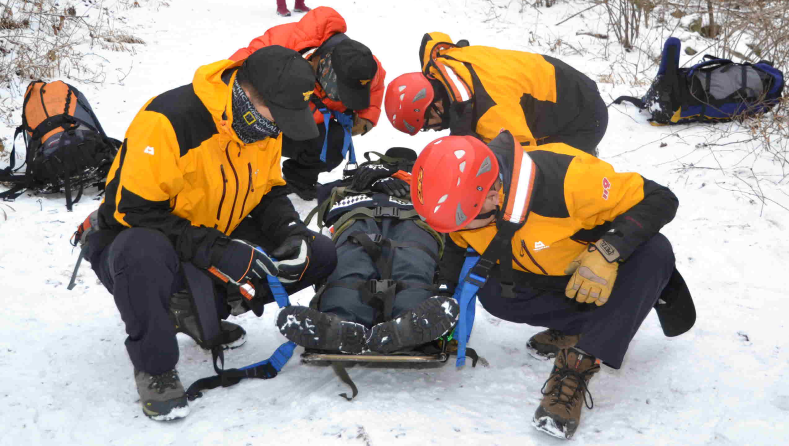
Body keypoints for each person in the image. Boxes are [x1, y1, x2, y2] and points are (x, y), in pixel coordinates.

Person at [79, 46, 338, 421]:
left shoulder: (262, 125)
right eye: (281, 116)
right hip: (136, 239)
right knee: (142, 252)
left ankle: (198, 310)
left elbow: (268, 190)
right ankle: (155, 368)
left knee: (319, 253)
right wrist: (219, 251)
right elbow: (133, 212)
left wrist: (290, 231)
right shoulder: (168, 122)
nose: (283, 127)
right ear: (251, 96)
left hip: (211, 230)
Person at [411, 132, 685, 440]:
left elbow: (662, 198)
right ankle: (582, 326)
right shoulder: (469, 202)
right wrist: (442, 295)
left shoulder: (570, 179)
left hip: (602, 272)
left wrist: (608, 252)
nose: (459, 230)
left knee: (656, 251)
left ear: (492, 197)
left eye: (463, 222)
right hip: (549, 271)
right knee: (493, 292)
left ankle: (576, 366)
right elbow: (456, 245)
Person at [275, 148, 460, 355]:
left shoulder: (430, 181)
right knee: (390, 262)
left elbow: (459, 194)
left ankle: (402, 323)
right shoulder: (362, 176)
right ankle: (344, 325)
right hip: (364, 215)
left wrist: (405, 180)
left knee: (363, 264)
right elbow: (326, 196)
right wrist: (364, 182)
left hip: (406, 219)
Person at [230, 6, 385, 201]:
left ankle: (298, 179)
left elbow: (376, 87)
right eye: (342, 92)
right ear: (323, 65)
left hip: (305, 123)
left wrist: (366, 117)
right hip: (264, 120)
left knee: (336, 141)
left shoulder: (363, 65)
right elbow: (232, 76)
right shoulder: (279, 47)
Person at [384, 32, 609, 155]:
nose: (432, 130)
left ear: (435, 106)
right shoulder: (442, 62)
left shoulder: (490, 113)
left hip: (584, 116)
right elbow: (432, 38)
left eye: (426, 125)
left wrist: (471, 141)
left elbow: (523, 164)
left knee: (552, 182)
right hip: (561, 82)